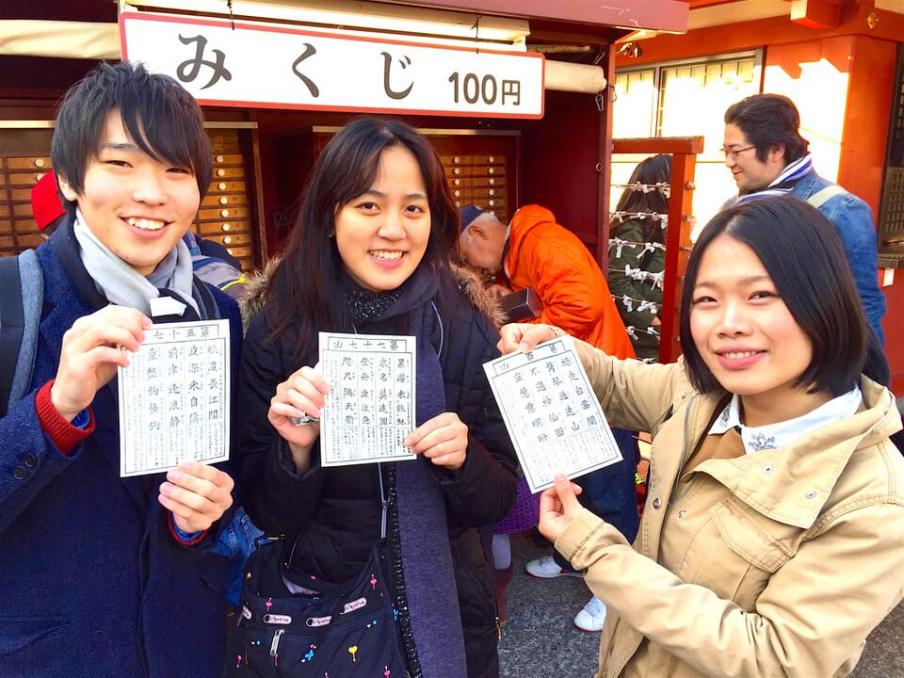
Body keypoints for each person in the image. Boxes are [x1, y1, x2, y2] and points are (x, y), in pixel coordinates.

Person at [501, 197, 904, 677]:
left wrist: (594, 549)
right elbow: (619, 383)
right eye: (707, 299)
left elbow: (773, 658)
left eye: (760, 295)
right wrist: (557, 347)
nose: (728, 323)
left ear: (824, 299)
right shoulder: (703, 392)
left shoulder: (872, 502)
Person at [234, 117, 518, 678]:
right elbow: (265, 510)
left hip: (449, 607)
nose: (393, 229)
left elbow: (499, 500)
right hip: (324, 611)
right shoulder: (280, 329)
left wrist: (464, 462)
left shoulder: (463, 326)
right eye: (368, 206)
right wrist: (295, 452)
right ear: (330, 213)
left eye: (413, 208)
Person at [0, 62, 242, 676]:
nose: (152, 193)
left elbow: (223, 483)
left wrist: (200, 521)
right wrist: (54, 409)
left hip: (189, 647)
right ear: (69, 179)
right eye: (121, 164)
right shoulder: (12, 304)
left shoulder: (216, 314)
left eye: (176, 170)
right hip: (55, 655)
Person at [459, 204, 639, 632]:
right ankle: (570, 557)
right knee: (575, 481)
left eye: (467, 256)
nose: (472, 267)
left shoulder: (543, 242)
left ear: (479, 236)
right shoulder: (519, 254)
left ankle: (616, 595)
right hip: (568, 389)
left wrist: (528, 328)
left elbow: (584, 305)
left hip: (603, 388)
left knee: (610, 491)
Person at [723, 93, 886, 343]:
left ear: (777, 149)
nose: (728, 162)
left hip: (811, 365)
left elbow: (863, 305)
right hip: (742, 352)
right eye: (725, 151)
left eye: (736, 152)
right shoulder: (733, 208)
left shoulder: (838, 210)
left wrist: (865, 377)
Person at [607, 154, 671, 361]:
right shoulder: (633, 227)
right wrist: (652, 321)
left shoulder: (663, 226)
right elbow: (617, 280)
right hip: (644, 339)